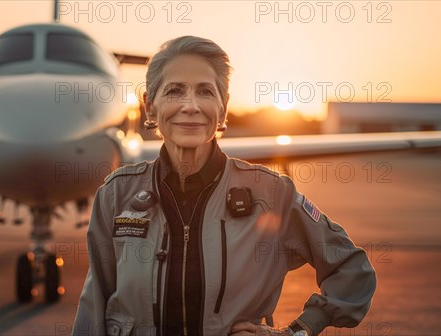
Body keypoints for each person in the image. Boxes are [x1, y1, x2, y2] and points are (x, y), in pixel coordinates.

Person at [72, 36, 376, 336]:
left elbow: (351, 269)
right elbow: (94, 307)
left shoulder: (271, 193)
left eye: (205, 91)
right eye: (174, 91)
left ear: (223, 108)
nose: (190, 106)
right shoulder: (116, 195)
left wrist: (300, 331)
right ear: (150, 108)